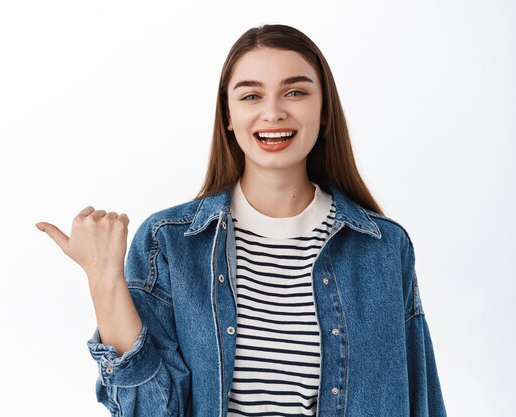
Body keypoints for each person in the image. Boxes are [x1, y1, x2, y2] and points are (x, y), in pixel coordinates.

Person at [35, 24, 447, 417]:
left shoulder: (382, 247)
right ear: (228, 115)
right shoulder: (171, 244)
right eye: (251, 96)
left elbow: (420, 399)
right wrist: (104, 280)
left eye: (295, 92)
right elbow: (150, 409)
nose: (273, 112)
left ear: (324, 112)